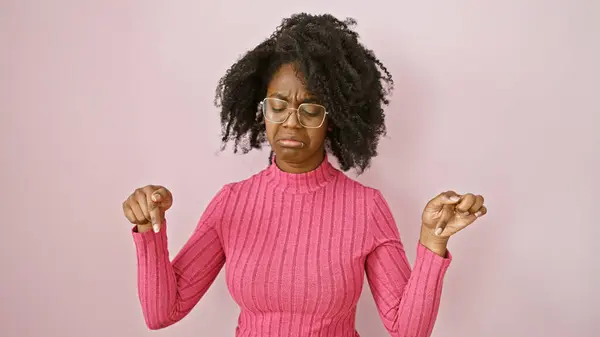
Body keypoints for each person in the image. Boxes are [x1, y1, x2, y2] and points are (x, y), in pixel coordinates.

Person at [122, 13, 487, 337]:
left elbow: (407, 330)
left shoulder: (366, 207)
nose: (291, 122)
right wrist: (148, 229)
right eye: (278, 106)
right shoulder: (232, 202)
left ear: (333, 119)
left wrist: (432, 242)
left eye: (309, 110)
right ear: (260, 110)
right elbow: (161, 313)